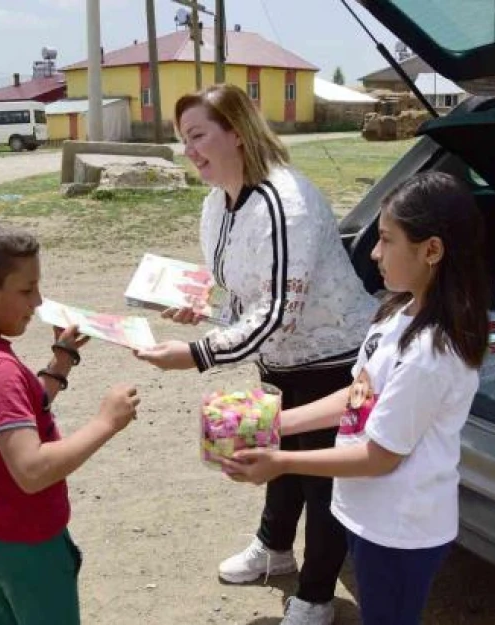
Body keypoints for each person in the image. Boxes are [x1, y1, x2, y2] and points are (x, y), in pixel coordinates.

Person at [135, 84, 378, 625]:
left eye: (198, 135)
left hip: (332, 358)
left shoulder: (285, 202)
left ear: (238, 134)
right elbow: (245, 295)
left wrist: (197, 354)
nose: (189, 150)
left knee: (321, 479)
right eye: (183, 139)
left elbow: (276, 314)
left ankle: (315, 596)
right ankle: (274, 548)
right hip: (278, 359)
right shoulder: (217, 201)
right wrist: (200, 308)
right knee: (278, 458)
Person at [224, 172, 492, 625]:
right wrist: (274, 423)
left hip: (402, 529)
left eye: (387, 240)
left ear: (431, 250)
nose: (374, 252)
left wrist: (283, 462)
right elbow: (357, 396)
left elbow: (379, 456)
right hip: (369, 513)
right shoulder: (397, 312)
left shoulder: (431, 353)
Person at [0, 220, 141, 625]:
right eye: (26, 290)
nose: (37, 302)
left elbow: (12, 416)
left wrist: (60, 361)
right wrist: (106, 422)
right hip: (24, 538)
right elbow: (31, 470)